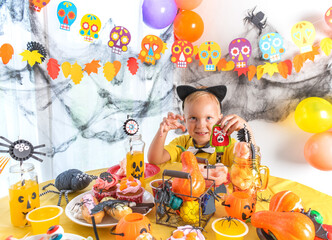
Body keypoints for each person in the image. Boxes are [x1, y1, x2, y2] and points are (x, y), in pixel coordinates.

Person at [148, 85, 255, 166]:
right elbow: (154, 160)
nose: (200, 125)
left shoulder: (228, 145)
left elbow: (251, 164)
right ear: (184, 120)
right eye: (193, 118)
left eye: (208, 118)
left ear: (219, 119)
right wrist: (163, 132)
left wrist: (246, 130)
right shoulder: (181, 144)